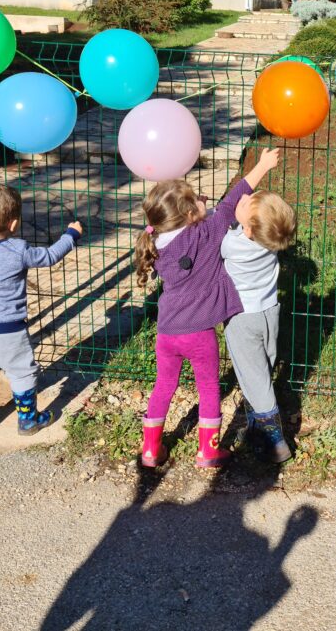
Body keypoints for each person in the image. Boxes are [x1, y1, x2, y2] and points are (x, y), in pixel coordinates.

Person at [134, 148, 280, 469]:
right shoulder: (206, 233)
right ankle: (209, 450)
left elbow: (221, 205)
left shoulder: (155, 244)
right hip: (199, 334)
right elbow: (233, 199)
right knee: (209, 387)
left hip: (167, 333)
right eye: (198, 199)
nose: (204, 198)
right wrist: (262, 167)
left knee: (163, 386)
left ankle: (149, 449)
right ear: (189, 216)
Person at [0, 184, 82, 434]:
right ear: (13, 224)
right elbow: (49, 256)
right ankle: (27, 420)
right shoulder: (18, 250)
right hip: (8, 332)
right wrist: (71, 235)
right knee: (22, 372)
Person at [221, 189, 297, 462]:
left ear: (250, 230)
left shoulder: (233, 244)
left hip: (242, 318)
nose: (240, 199)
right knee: (263, 368)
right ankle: (256, 426)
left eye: (245, 203)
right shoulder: (271, 244)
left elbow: (219, 239)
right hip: (269, 312)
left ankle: (275, 441)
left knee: (254, 377)